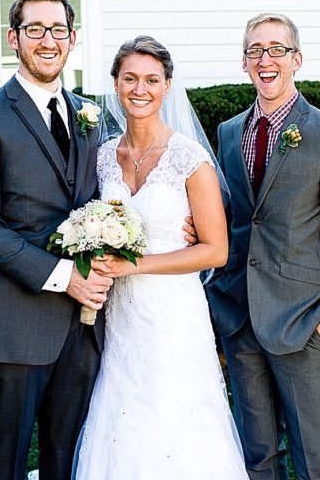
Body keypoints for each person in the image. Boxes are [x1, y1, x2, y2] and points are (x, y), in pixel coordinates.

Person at [0, 0, 112, 480]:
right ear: (14, 38)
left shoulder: (89, 116)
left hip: (83, 326)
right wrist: (65, 276)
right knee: (5, 460)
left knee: (67, 459)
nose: (48, 40)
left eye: (58, 30)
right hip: (15, 321)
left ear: (72, 39)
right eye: (35, 29)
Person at [73, 36, 247, 479]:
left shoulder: (189, 158)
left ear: (167, 86)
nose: (140, 89)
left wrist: (136, 264)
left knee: (176, 420)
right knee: (122, 415)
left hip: (173, 316)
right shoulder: (103, 157)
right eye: (130, 78)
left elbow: (216, 250)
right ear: (115, 84)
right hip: (120, 316)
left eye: (152, 80)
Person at [206, 13, 320, 480]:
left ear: (297, 59)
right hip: (240, 315)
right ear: (244, 62)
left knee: (317, 459)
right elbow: (234, 217)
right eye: (255, 50)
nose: (266, 59)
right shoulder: (229, 132)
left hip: (303, 319)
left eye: (277, 49)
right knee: (257, 455)